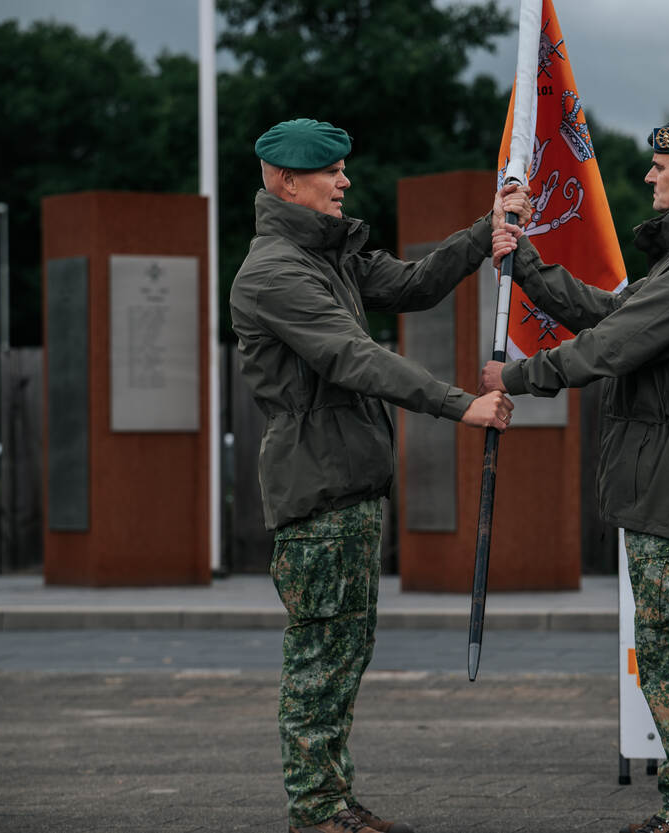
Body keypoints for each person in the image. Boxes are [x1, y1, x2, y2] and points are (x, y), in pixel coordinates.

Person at [229, 117, 530, 833]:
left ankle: (333, 800)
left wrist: (483, 232)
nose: (344, 180)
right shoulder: (275, 271)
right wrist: (462, 405)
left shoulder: (328, 256)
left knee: (345, 652)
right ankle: (315, 808)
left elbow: (415, 283)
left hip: (348, 486)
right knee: (320, 656)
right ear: (281, 181)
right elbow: (351, 356)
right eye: (328, 170)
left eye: (342, 168)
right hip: (318, 489)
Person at [483, 115, 669, 833]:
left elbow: (610, 344)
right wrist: (527, 266)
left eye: (661, 165)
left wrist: (515, 375)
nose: (650, 175)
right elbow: (609, 311)